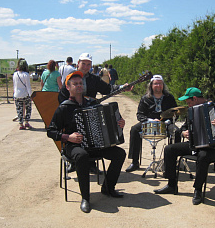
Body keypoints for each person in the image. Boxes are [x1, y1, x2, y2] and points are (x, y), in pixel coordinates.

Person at [47, 71, 126, 213]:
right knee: (82, 156)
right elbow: (51, 131)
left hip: (95, 145)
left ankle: (108, 188)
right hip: (73, 146)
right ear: (68, 88)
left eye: (80, 83)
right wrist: (67, 137)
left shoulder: (92, 103)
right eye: (75, 84)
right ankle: (85, 198)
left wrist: (119, 123)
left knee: (119, 153)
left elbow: (106, 119)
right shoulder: (64, 107)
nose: (79, 86)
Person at [154, 87, 215, 205]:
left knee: (203, 156)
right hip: (196, 144)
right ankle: (171, 184)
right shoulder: (192, 111)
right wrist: (183, 132)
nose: (188, 105)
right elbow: (184, 127)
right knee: (170, 149)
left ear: (195, 99)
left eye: (189, 102)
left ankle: (198, 190)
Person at [58, 53, 132, 175]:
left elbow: (107, 89)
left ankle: (91, 165)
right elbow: (62, 97)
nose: (86, 67)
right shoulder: (71, 78)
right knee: (75, 137)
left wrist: (122, 87)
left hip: (90, 115)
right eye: (84, 64)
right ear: (78, 64)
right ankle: (74, 163)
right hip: (72, 117)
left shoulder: (94, 79)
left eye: (89, 64)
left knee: (92, 138)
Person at [125, 75, 180, 172]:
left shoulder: (169, 97)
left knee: (176, 131)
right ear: (151, 85)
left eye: (160, 83)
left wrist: (166, 122)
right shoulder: (145, 98)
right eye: (156, 83)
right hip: (149, 122)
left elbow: (176, 113)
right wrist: (150, 120)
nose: (158, 85)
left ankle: (173, 161)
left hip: (165, 123)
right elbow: (140, 115)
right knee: (134, 129)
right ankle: (134, 162)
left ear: (163, 85)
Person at [12, 58, 33, 130]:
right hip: (25, 94)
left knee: (19, 109)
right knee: (28, 108)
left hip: (17, 94)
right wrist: (30, 95)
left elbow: (14, 85)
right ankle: (26, 122)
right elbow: (28, 86)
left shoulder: (15, 74)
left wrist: (14, 94)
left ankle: (21, 124)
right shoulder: (26, 75)